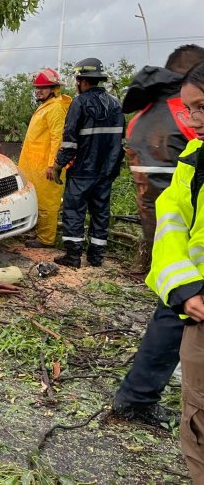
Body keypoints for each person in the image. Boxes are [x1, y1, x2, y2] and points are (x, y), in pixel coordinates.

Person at [111, 45, 204, 428]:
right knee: (175, 311)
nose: (196, 117)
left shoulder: (146, 113)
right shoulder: (182, 121)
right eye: (194, 106)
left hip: (158, 211)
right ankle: (136, 398)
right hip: (178, 225)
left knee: (171, 305)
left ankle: (136, 396)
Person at [143, 61, 204, 479]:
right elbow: (171, 220)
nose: (193, 120)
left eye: (201, 107)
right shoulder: (193, 158)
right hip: (195, 302)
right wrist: (184, 286)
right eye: (190, 110)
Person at [124, 44, 204, 268]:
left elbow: (131, 136)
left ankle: (150, 265)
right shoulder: (184, 107)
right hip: (179, 184)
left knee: (156, 223)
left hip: (146, 181)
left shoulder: (146, 110)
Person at [50, 58, 125, 268]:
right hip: (106, 171)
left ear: (82, 81)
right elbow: (121, 142)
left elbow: (69, 140)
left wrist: (58, 165)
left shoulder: (79, 103)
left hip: (82, 170)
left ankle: (73, 256)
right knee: (100, 212)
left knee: (74, 210)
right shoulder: (115, 104)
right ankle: (96, 256)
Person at [18, 68, 72, 248]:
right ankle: (38, 233)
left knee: (47, 203)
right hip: (36, 165)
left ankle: (46, 239)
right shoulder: (46, 106)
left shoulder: (55, 108)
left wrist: (53, 165)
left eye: (43, 87)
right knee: (37, 200)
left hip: (46, 166)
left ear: (54, 89)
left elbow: (59, 138)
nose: (38, 91)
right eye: (37, 88)